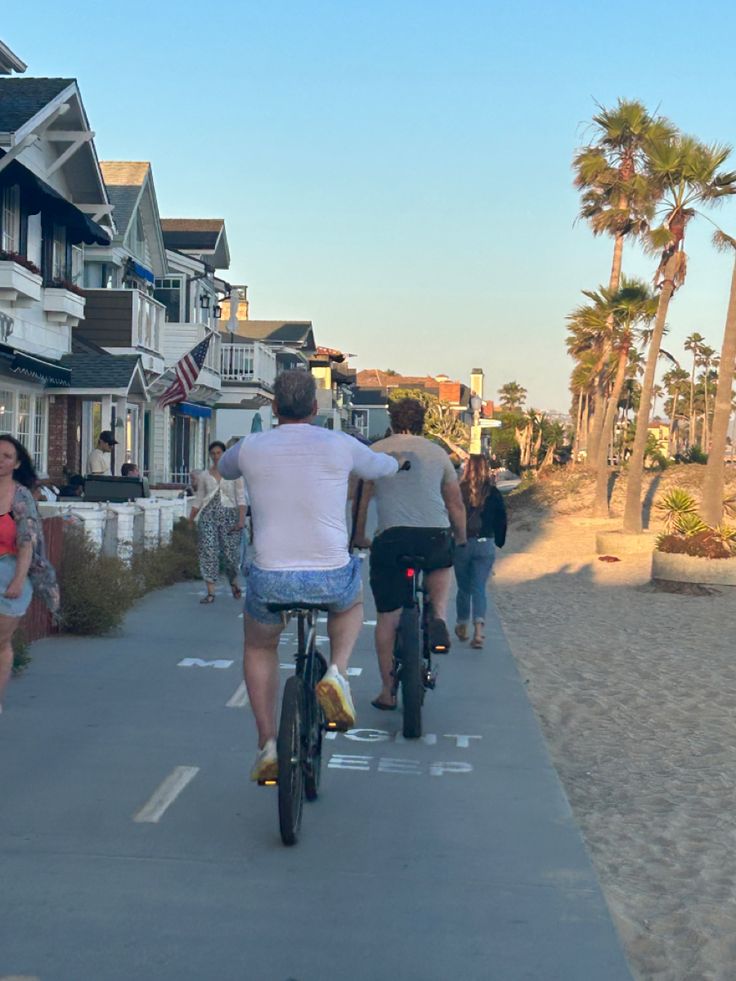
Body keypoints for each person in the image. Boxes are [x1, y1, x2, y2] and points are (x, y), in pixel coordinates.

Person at [218, 369, 401, 781]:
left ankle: (268, 744)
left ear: (273, 407)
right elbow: (382, 467)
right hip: (329, 574)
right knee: (350, 602)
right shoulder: (340, 443)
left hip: (270, 578)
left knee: (259, 646)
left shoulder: (251, 447)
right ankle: (337, 672)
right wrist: (398, 461)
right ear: (316, 409)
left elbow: (225, 469)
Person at [353, 397, 467, 711]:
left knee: (387, 618)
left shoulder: (375, 452)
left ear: (391, 420)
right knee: (442, 564)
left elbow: (361, 501)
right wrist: (460, 536)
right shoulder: (438, 454)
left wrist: (360, 535)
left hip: (391, 539)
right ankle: (439, 617)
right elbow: (455, 503)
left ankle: (388, 691)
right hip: (433, 535)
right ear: (422, 422)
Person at [0, 435, 60, 713]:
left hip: (11, 572)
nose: (0, 461)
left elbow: (27, 541)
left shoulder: (21, 496)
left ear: (16, 462)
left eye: (7, 456)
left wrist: (17, 580)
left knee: (1, 640)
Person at [453, 455, 507, 649]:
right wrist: (499, 541)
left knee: (464, 588)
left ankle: (461, 623)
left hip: (462, 543)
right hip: (485, 543)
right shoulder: (493, 493)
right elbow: (501, 519)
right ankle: (479, 632)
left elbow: (449, 514)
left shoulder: (459, 491)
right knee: (479, 588)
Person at [190, 441, 247, 604]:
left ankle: (233, 582)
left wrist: (241, 520)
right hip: (208, 516)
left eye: (218, 453)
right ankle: (210, 592)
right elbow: (199, 498)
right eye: (213, 453)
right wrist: (190, 519)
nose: (216, 456)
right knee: (208, 550)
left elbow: (241, 499)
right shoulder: (204, 476)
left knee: (230, 555)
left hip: (229, 515)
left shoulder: (235, 474)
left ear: (224, 454)